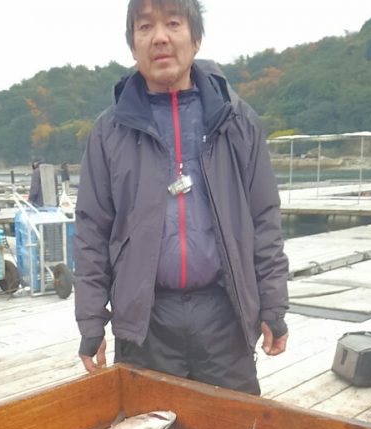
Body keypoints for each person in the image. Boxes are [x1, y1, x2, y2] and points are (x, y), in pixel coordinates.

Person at [73, 0, 289, 395]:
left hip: (224, 315)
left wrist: (273, 306)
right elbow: (92, 231)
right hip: (145, 324)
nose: (159, 38)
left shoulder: (238, 122)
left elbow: (264, 219)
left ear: (196, 38)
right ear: (132, 45)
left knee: (237, 428)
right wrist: (91, 321)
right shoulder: (108, 132)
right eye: (144, 27)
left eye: (173, 23)